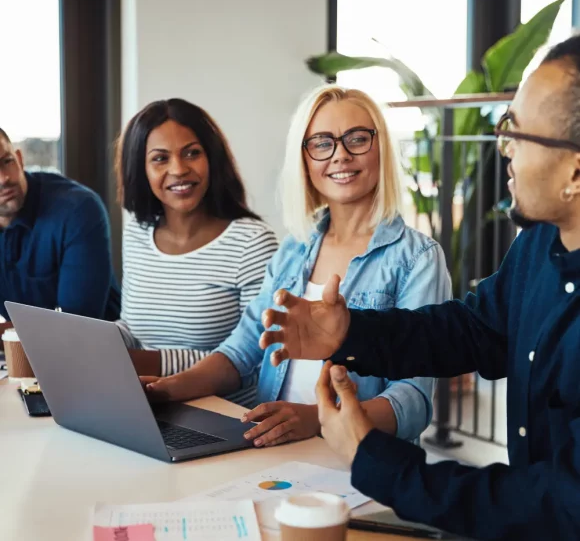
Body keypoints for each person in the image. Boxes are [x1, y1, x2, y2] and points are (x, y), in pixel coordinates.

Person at [259, 35, 580, 540]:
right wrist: (350, 331)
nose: (504, 149)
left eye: (518, 133)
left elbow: (561, 504)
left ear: (575, 170)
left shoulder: (416, 254)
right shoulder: (539, 242)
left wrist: (377, 460)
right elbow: (473, 330)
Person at [142, 86, 451, 448]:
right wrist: (166, 389)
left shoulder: (417, 258)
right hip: (274, 453)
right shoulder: (294, 248)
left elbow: (413, 400)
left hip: (363, 463)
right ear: (303, 159)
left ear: (381, 147)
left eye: (357, 139)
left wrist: (318, 418)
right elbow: (241, 351)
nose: (340, 155)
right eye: (322, 143)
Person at [116, 98, 279, 405]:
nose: (178, 169)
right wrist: (95, 344)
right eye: (160, 159)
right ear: (140, 168)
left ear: (212, 159)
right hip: (143, 402)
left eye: (192, 153)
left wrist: (146, 363)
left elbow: (258, 359)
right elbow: (132, 327)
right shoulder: (137, 232)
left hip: (224, 415)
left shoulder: (251, 243)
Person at [0, 128, 120, 321]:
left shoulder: (77, 209)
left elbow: (76, 324)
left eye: (7, 161)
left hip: (98, 347)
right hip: (23, 347)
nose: (4, 178)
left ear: (20, 159)